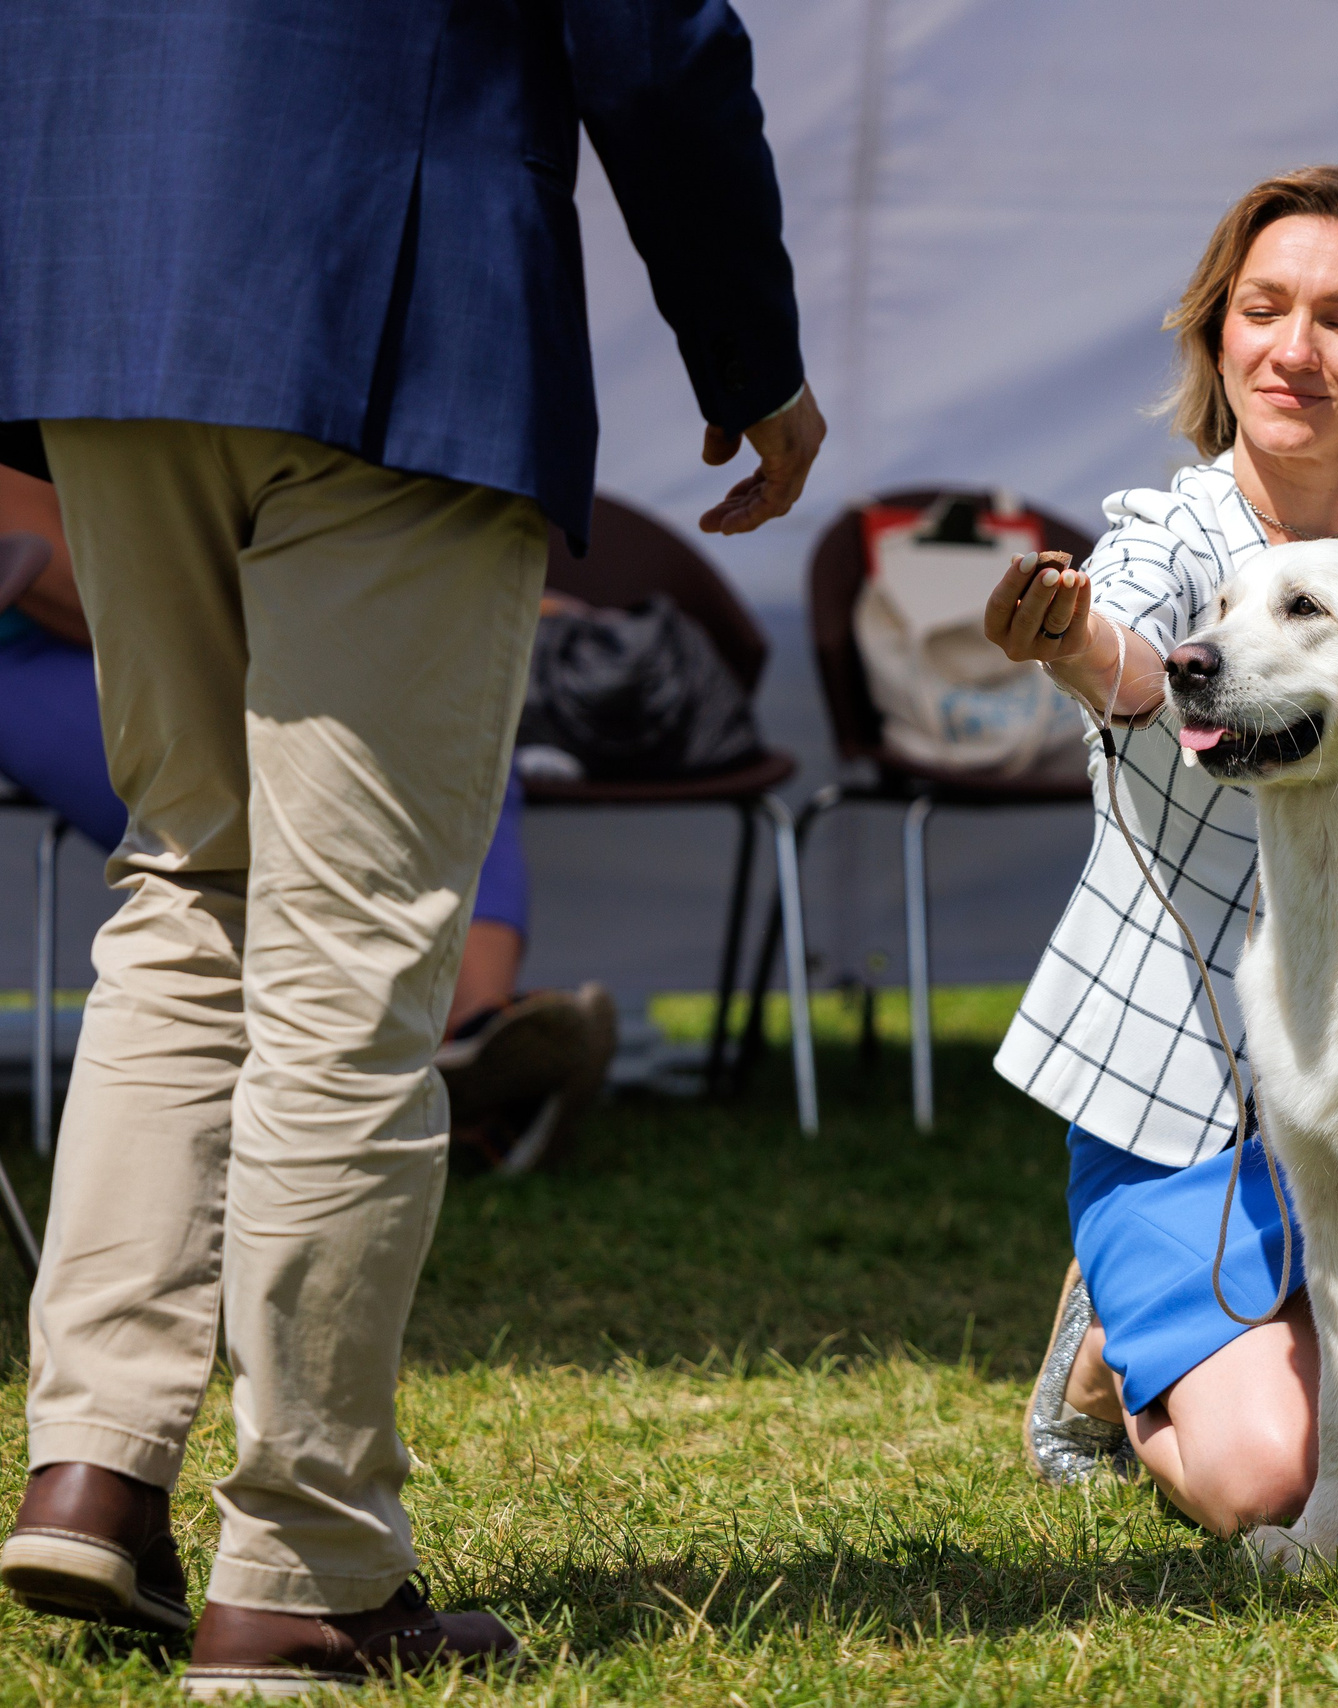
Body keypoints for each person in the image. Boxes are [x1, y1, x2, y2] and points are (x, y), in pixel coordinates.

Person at [0, 1, 823, 1693]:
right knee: (350, 948)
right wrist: (753, 358)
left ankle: (91, 1461)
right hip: (394, 304)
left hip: (99, 313)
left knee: (191, 885)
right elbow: (651, 35)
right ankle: (305, 1564)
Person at [991, 166, 1338, 1536]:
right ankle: (1109, 1355)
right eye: (1264, 310)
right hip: (1188, 1090)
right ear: (1217, 333)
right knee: (1272, 1483)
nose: (1296, 351)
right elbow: (1133, 664)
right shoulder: (1166, 531)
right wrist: (1069, 639)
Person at [0, 469, 615, 1177]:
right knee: (257, 802)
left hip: (218, 626)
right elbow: (51, 568)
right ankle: (406, 1077)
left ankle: (474, 1038)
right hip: (51, 645)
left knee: (455, 731)